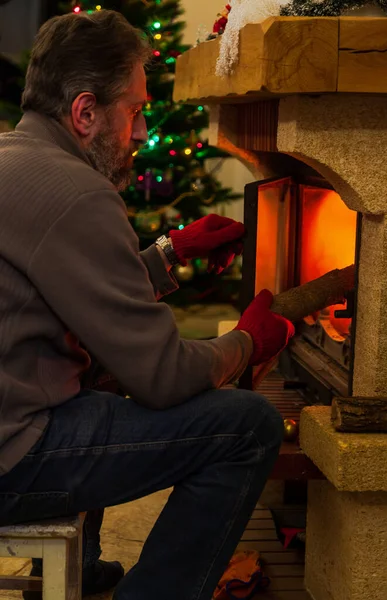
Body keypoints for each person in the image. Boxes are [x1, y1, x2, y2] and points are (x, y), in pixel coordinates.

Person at [0, 10, 294, 600]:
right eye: (134, 111)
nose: (140, 131)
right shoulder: (77, 191)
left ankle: (81, 569)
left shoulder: (15, 156)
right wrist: (249, 342)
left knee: (98, 373)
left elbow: (74, 288)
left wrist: (170, 253)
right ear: (85, 113)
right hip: (14, 456)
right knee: (246, 426)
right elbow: (162, 376)